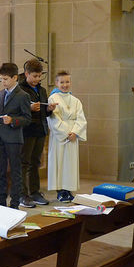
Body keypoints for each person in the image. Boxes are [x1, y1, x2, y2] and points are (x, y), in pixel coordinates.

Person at [0, 63, 31, 209]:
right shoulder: (0, 94)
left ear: (15, 78)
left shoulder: (23, 96)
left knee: (15, 171)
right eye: (1, 79)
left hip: (14, 139)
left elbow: (27, 118)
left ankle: (15, 202)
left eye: (5, 79)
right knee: (0, 171)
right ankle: (1, 200)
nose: (3, 82)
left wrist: (13, 121)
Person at [19, 59, 57, 208]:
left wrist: (48, 109)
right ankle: (23, 194)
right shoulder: (20, 90)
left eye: (39, 76)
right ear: (27, 74)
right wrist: (28, 108)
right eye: (34, 76)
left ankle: (35, 192)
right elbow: (16, 110)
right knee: (24, 163)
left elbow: (44, 112)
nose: (37, 79)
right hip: (26, 131)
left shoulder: (41, 90)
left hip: (40, 130)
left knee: (36, 162)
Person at [47, 71, 87, 202]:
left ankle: (68, 190)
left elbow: (81, 119)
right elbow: (53, 119)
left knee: (70, 164)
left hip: (72, 137)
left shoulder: (76, 101)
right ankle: (60, 191)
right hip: (60, 137)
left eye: (67, 82)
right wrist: (66, 133)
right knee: (59, 163)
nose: (65, 85)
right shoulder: (53, 99)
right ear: (57, 83)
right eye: (62, 82)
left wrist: (75, 132)